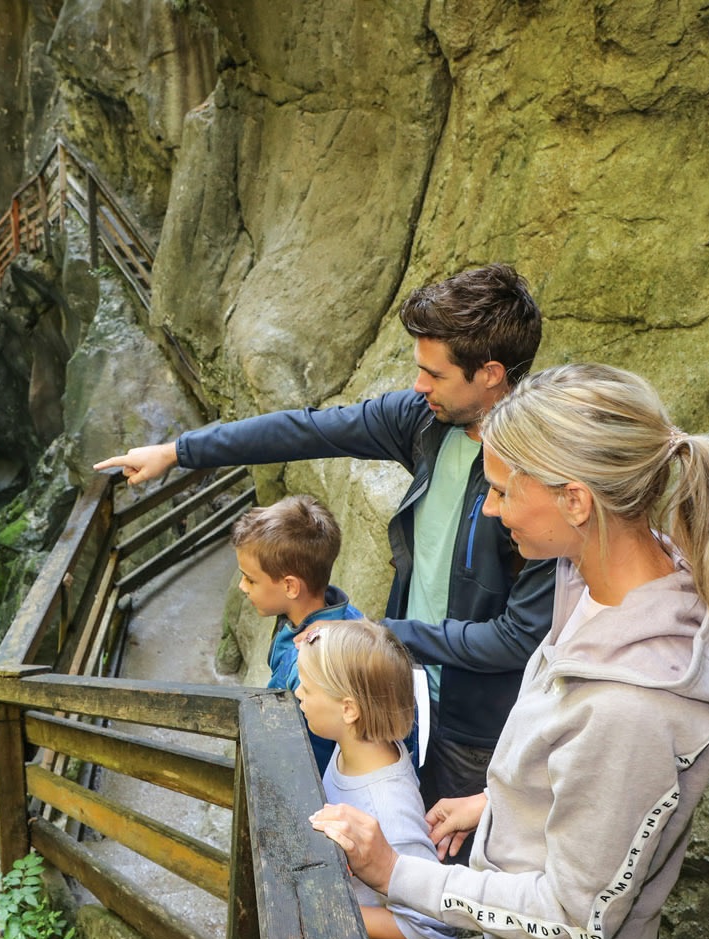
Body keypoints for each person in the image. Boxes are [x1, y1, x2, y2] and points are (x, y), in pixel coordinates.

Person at [309, 363, 709, 939]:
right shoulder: (598, 576)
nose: (491, 509)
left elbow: (573, 915)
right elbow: (580, 771)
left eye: (499, 489)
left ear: (576, 500)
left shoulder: (633, 707)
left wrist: (394, 873)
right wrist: (498, 802)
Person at [94, 264, 555, 857]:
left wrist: (382, 634)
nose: (418, 385)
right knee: (391, 831)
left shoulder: (538, 481)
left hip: (478, 721)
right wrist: (179, 451)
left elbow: (519, 640)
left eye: (433, 372)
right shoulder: (425, 424)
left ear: (490, 375)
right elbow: (305, 430)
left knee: (445, 865)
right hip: (406, 687)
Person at [295, 619, 457, 939]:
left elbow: (434, 922)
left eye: (307, 688)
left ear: (349, 709)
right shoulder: (358, 746)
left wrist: (335, 911)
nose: (297, 694)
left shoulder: (389, 807)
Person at [230, 495, 363, 775]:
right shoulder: (344, 613)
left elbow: (308, 755)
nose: (242, 586)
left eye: (251, 579)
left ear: (290, 587)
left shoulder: (309, 666)